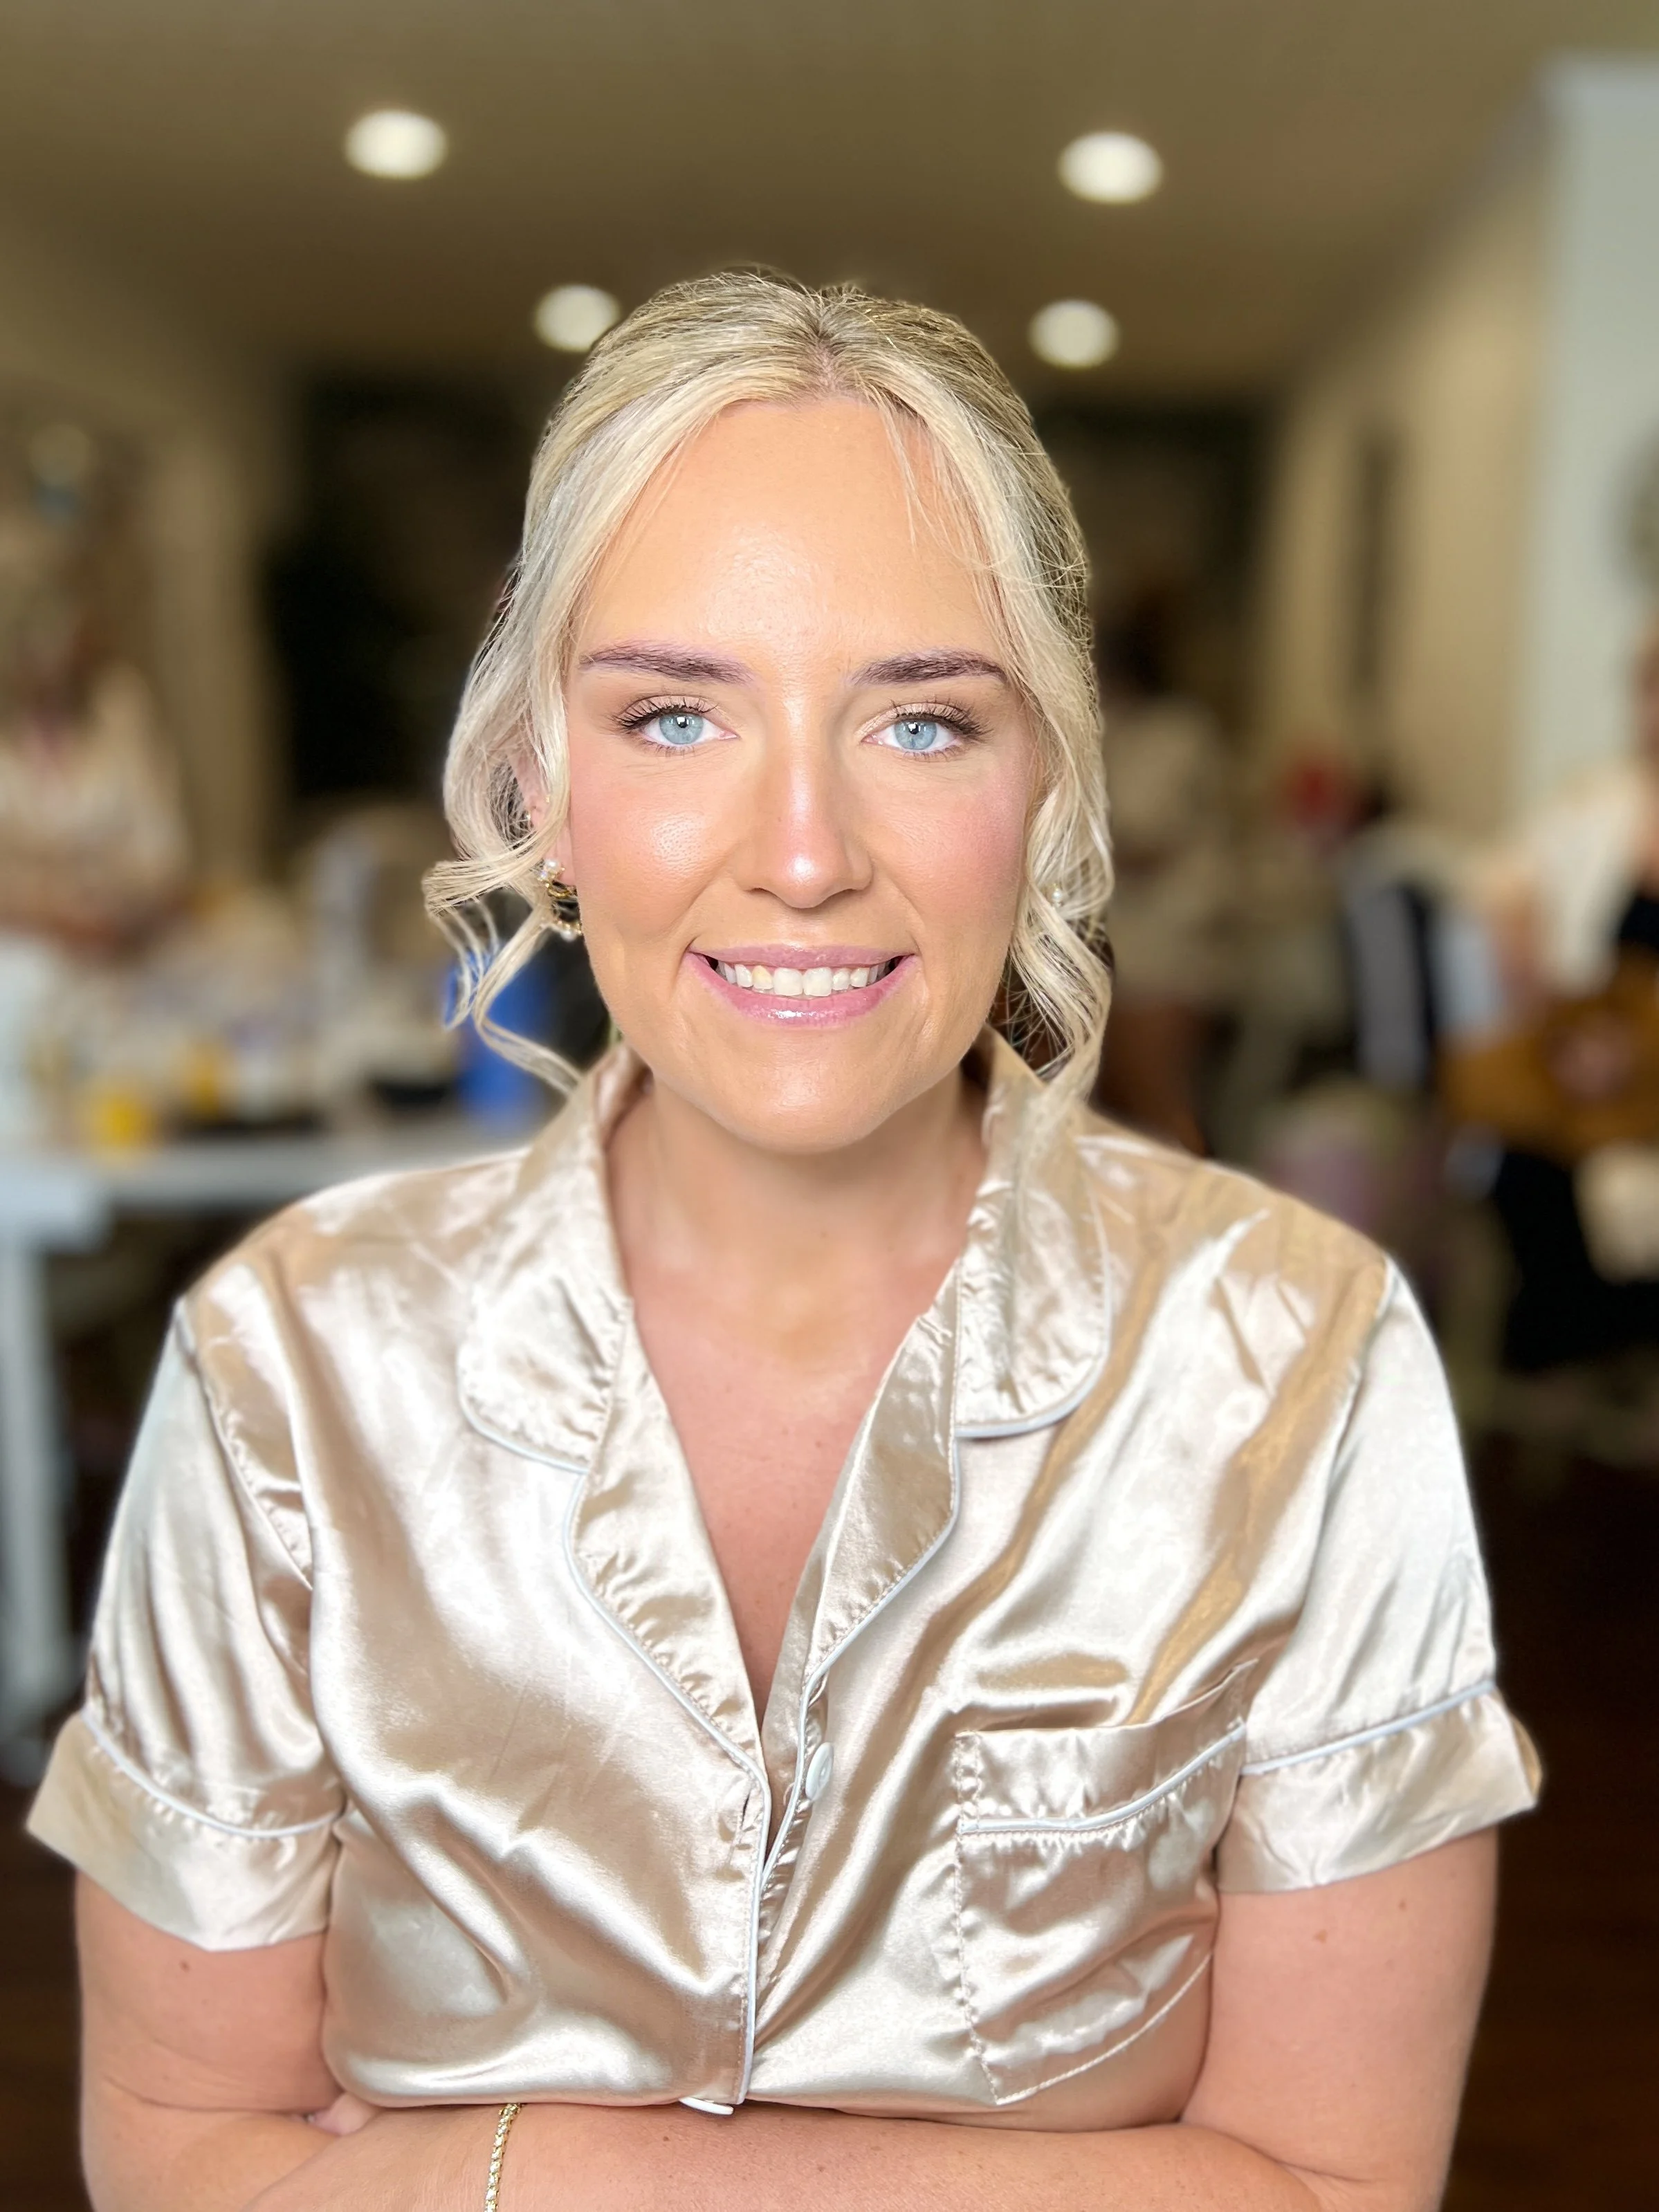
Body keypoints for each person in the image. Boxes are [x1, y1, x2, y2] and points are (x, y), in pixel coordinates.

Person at [29, 275, 1537, 2212]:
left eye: (919, 718)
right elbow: (174, 2160)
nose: (804, 848)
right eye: (674, 713)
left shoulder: (1299, 1363)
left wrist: (518, 2163)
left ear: (1045, 783)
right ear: (538, 789)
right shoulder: (289, 1368)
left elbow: (1333, 2186)